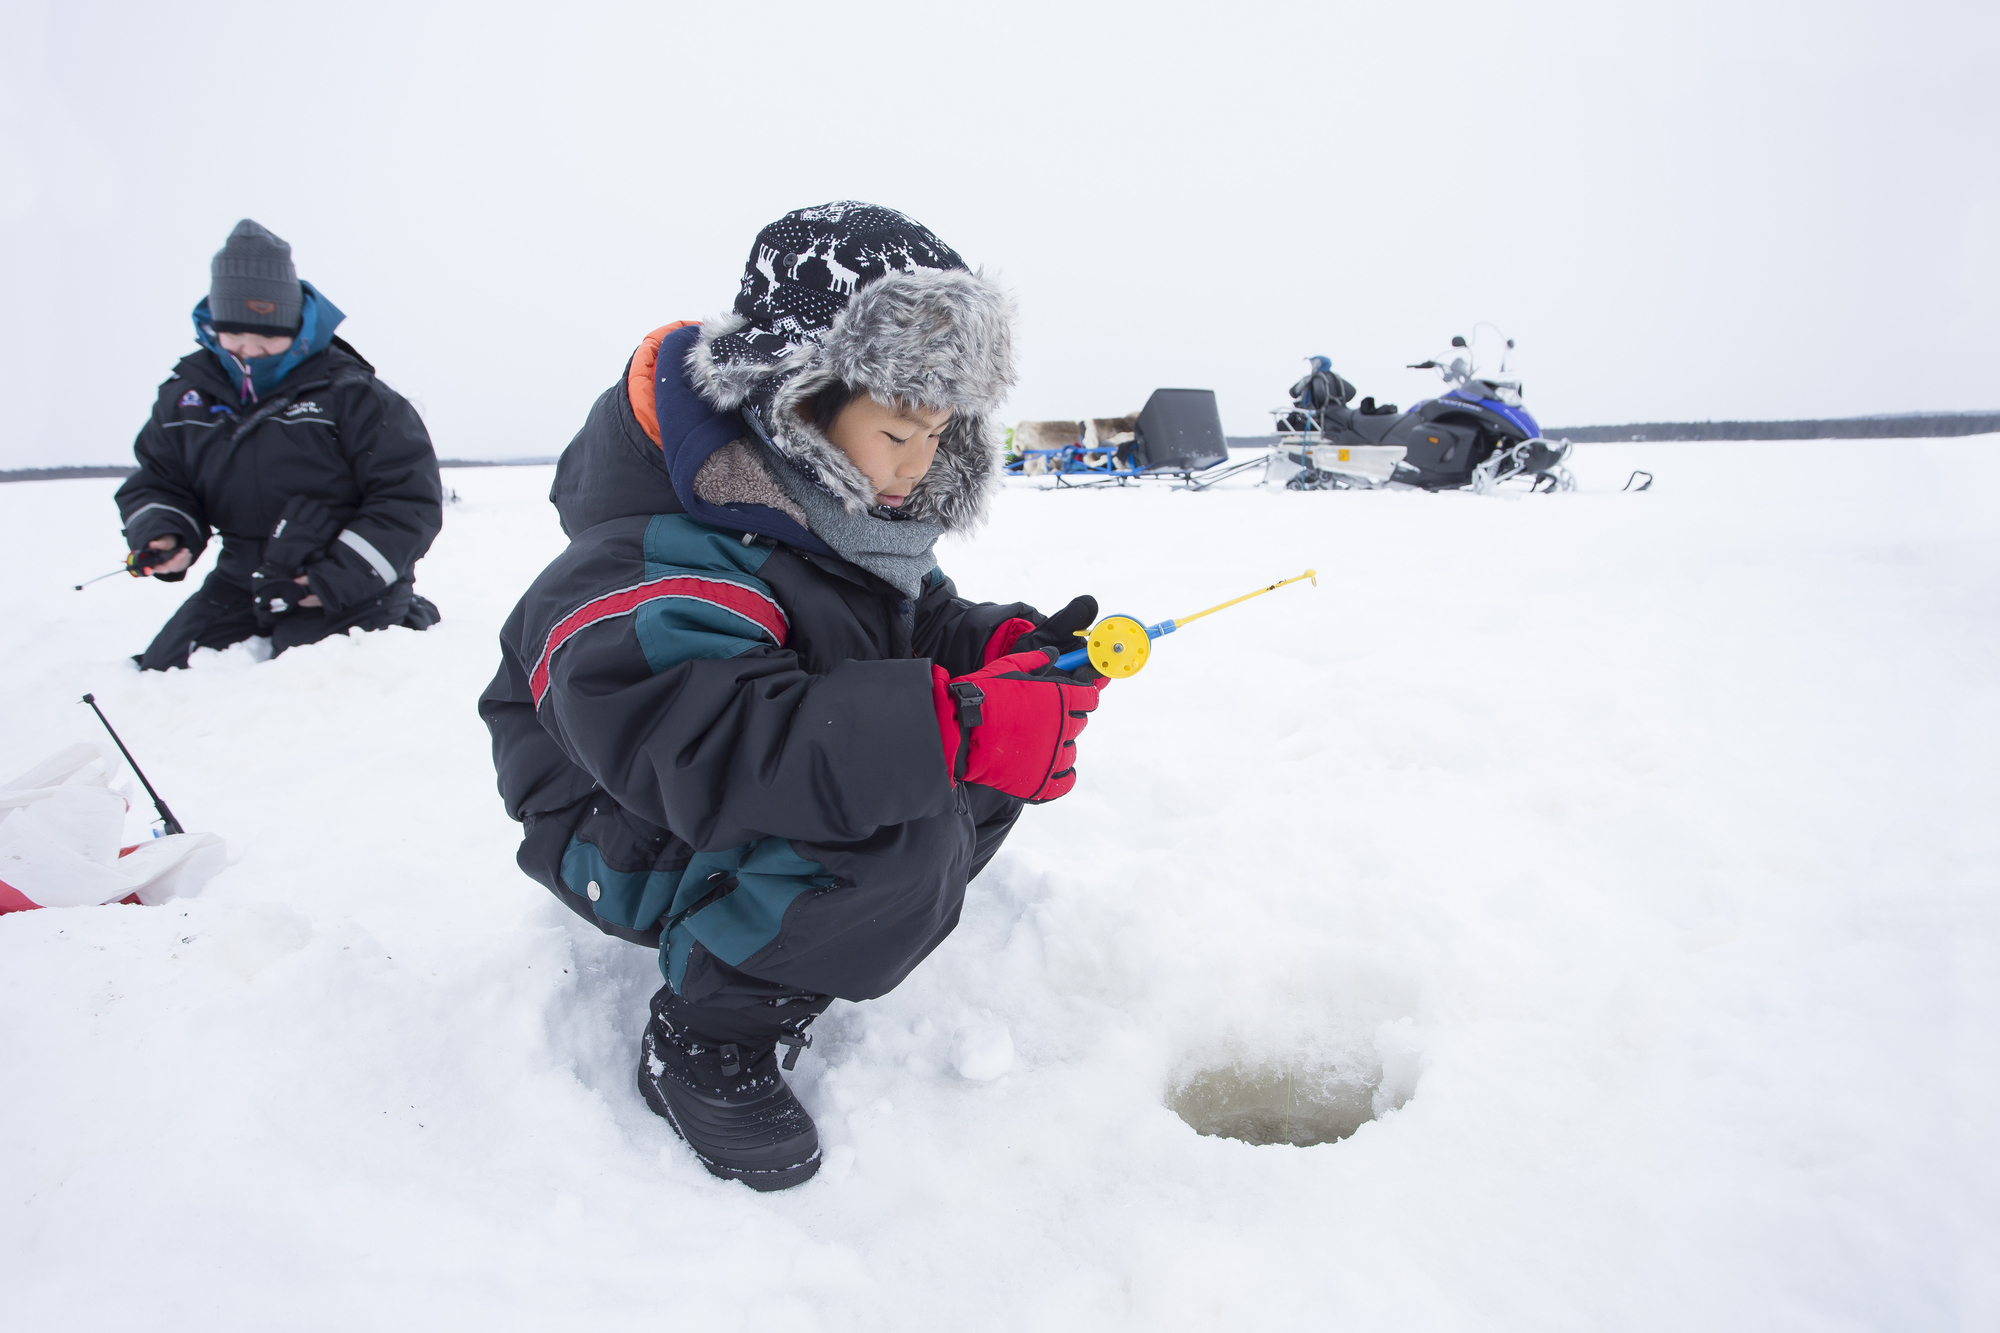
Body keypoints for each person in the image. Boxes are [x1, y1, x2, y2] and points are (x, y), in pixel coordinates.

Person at [479, 203, 1108, 1191]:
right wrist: (954, 726)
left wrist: (1000, 654)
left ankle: (794, 932)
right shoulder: (657, 552)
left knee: (960, 768)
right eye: (897, 432)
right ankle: (706, 1035)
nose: (918, 464)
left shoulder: (841, 509)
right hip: (617, 817)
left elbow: (913, 624)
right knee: (902, 819)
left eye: (938, 433)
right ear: (799, 399)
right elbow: (713, 743)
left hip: (722, 785)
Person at [115, 219, 443, 670]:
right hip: (243, 577)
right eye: (233, 334)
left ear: (296, 325)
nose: (249, 349)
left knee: (310, 674)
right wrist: (166, 533)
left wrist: (328, 581)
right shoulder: (184, 399)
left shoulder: (354, 395)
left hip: (344, 574)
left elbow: (408, 499)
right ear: (212, 325)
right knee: (168, 664)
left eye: (267, 335)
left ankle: (404, 613)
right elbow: (160, 479)